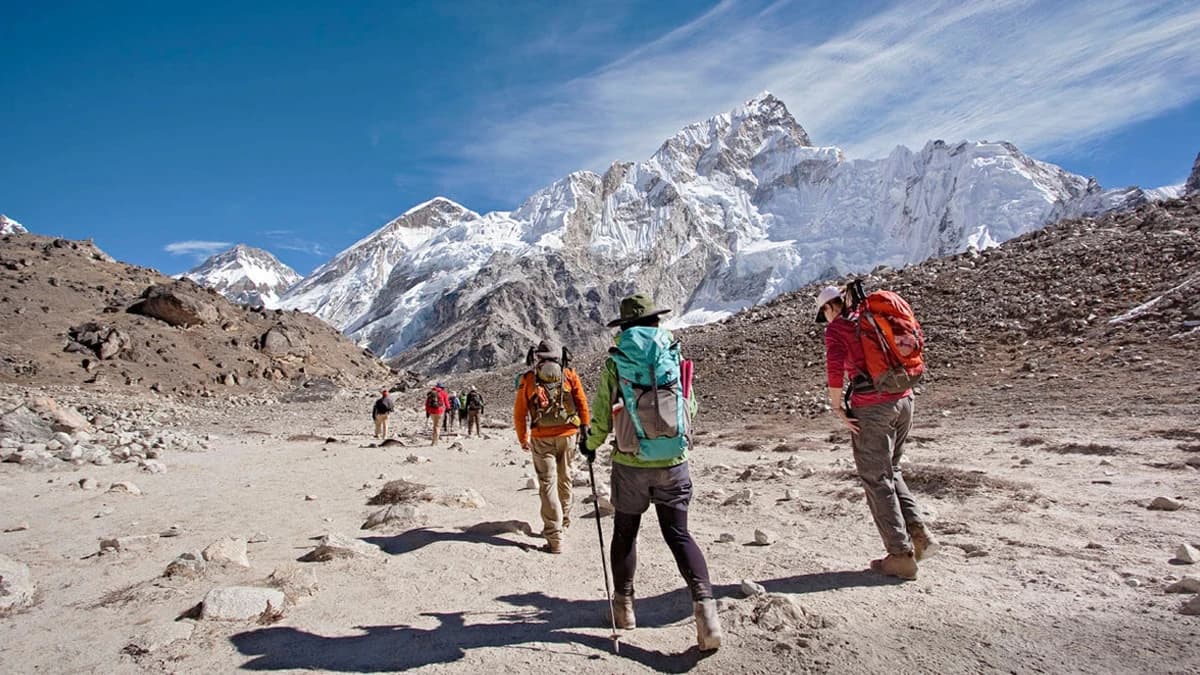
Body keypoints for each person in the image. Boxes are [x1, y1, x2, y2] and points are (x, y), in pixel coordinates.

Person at [583, 293, 722, 652]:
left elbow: (601, 414)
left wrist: (590, 444)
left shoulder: (617, 360)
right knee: (679, 534)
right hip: (674, 461)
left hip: (630, 464)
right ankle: (707, 615)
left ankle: (625, 608)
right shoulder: (673, 354)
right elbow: (689, 404)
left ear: (625, 327)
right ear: (655, 321)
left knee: (625, 533)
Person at [815, 285, 939, 580]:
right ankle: (919, 535)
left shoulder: (838, 329)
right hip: (904, 399)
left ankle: (900, 556)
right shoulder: (871, 318)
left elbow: (834, 369)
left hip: (873, 407)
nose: (827, 319)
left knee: (876, 477)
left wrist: (837, 408)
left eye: (824, 313)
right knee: (891, 469)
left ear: (829, 308)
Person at [513, 341, 590, 554]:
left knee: (547, 483)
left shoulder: (528, 379)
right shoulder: (569, 375)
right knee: (565, 478)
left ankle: (554, 537)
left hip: (541, 437)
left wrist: (523, 438)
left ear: (538, 357)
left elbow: (519, 413)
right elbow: (582, 403)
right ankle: (564, 521)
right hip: (568, 435)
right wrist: (585, 428)